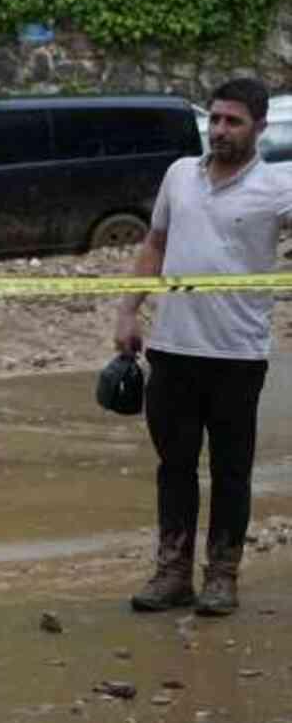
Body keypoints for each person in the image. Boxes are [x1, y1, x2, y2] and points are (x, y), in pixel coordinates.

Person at [115, 77, 292, 617]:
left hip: (238, 354)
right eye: (214, 119)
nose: (219, 130)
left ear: (259, 128)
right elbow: (155, 243)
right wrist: (128, 310)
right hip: (172, 348)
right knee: (175, 465)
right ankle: (172, 573)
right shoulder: (179, 176)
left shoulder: (279, 187)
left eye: (232, 121)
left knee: (232, 470)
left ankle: (222, 575)